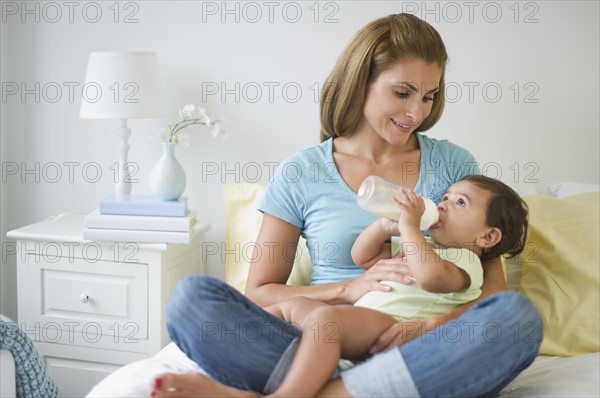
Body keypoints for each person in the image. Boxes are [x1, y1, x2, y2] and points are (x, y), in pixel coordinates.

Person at [152, 13, 543, 397]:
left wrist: (434, 325)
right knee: (193, 302)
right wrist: (347, 291)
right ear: (361, 82)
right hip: (315, 339)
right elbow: (260, 292)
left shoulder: (456, 168)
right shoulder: (301, 171)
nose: (417, 112)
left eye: (429, 96)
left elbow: (492, 291)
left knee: (517, 319)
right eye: (403, 92)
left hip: (422, 346)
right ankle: (357, 389)